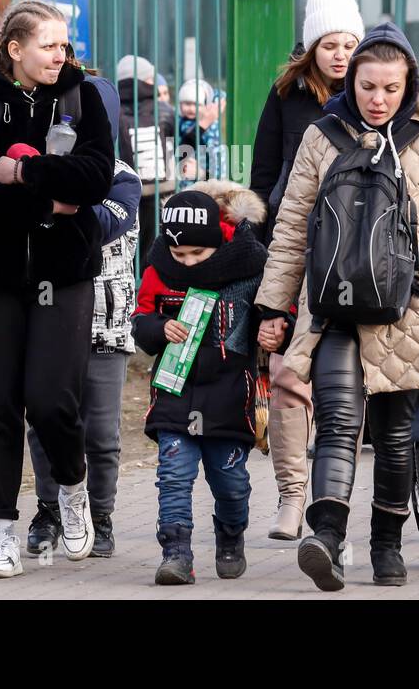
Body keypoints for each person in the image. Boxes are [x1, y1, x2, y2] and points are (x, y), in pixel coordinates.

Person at [255, 22, 419, 590]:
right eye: (367, 87)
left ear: (408, 85)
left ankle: (387, 545)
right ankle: (328, 539)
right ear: (351, 83)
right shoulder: (323, 137)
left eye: (390, 88)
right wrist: (273, 307)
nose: (378, 99)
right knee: (338, 421)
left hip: (405, 310)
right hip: (333, 306)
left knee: (392, 432)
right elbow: (290, 227)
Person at [0, 0, 115, 580]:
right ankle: (1, 534)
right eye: (48, 45)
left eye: (64, 45)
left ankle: (72, 489)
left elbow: (97, 177)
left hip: (62, 274)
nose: (60, 55)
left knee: (51, 400)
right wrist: (50, 200)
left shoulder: (82, 97)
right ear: (15, 50)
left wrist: (23, 173)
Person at [247, 0, 363, 541]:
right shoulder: (286, 96)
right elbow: (263, 175)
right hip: (296, 252)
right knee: (287, 372)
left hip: (360, 262)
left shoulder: (378, 94)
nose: (340, 54)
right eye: (329, 44)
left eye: (348, 43)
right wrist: (269, 251)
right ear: (311, 47)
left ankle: (337, 504)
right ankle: (291, 498)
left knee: (350, 384)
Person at [25, 73, 142, 559]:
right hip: (49, 316)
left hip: (105, 324)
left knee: (101, 432)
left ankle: (102, 514)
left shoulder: (122, 178)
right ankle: (49, 509)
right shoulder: (43, 166)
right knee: (45, 421)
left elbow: (102, 222)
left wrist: (55, 198)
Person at [132, 183, 267, 585]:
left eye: (197, 254)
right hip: (176, 388)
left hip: (229, 392)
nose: (187, 263)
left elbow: (276, 310)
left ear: (217, 243)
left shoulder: (249, 267)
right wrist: (158, 327)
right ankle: (176, 553)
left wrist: (276, 329)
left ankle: (230, 533)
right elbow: (140, 320)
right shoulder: (159, 271)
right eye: (179, 254)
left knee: (230, 481)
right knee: (173, 473)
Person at [116, 54, 176, 255]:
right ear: (145, 80)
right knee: (156, 253)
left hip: (124, 192)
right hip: (162, 191)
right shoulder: (164, 110)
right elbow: (180, 144)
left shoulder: (114, 110)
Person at [176, 77, 224, 186]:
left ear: (207, 105)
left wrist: (207, 174)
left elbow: (216, 154)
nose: (191, 109)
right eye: (187, 104)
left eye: (196, 105)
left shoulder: (211, 127)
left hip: (203, 177)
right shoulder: (179, 121)